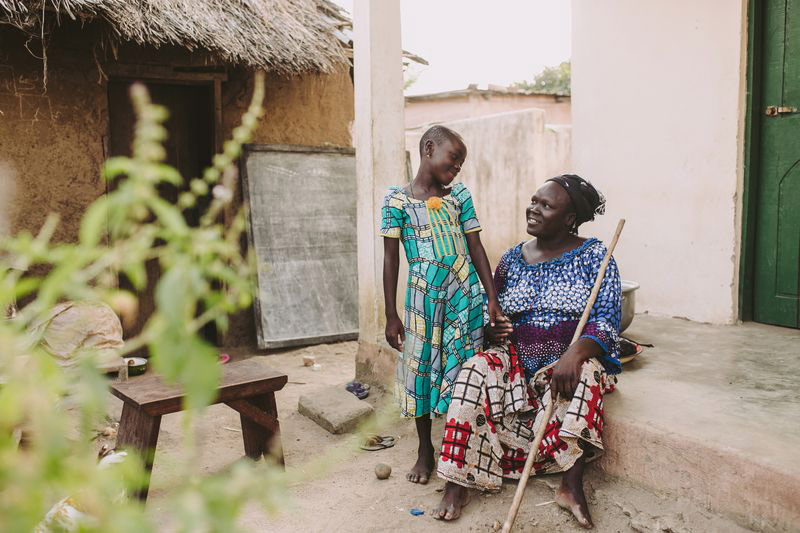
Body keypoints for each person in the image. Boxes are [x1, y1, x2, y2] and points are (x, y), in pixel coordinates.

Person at [433, 175, 622, 529]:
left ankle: (571, 484)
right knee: (474, 368)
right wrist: (494, 328)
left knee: (587, 372)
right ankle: (457, 481)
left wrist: (575, 353)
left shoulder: (595, 256)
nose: (533, 209)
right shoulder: (511, 258)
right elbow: (495, 316)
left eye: (545, 205)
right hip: (517, 366)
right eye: (534, 200)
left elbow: (608, 321)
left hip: (565, 364)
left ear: (569, 219)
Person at [381, 125, 502, 485]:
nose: (458, 167)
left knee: (460, 369)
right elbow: (391, 260)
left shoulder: (459, 195)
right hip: (423, 299)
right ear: (429, 148)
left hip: (463, 297)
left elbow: (476, 247)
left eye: (461, 162)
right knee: (420, 369)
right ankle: (425, 449)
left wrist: (491, 296)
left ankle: (457, 448)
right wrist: (391, 313)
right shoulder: (396, 201)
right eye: (454, 158)